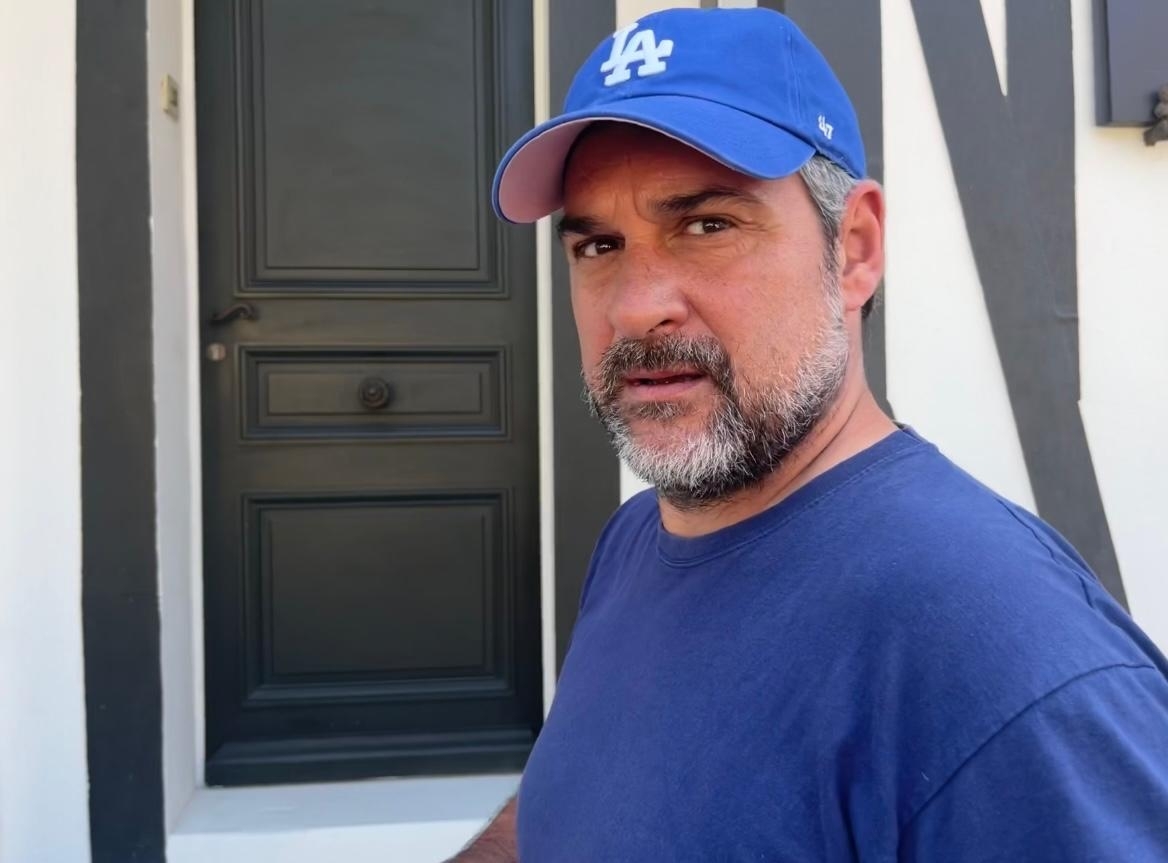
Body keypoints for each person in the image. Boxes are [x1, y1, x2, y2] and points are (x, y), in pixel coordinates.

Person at [452, 7, 1168, 861]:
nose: (637, 307)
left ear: (854, 248)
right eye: (599, 246)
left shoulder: (1000, 657)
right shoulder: (637, 539)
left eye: (707, 226)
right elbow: (580, 795)